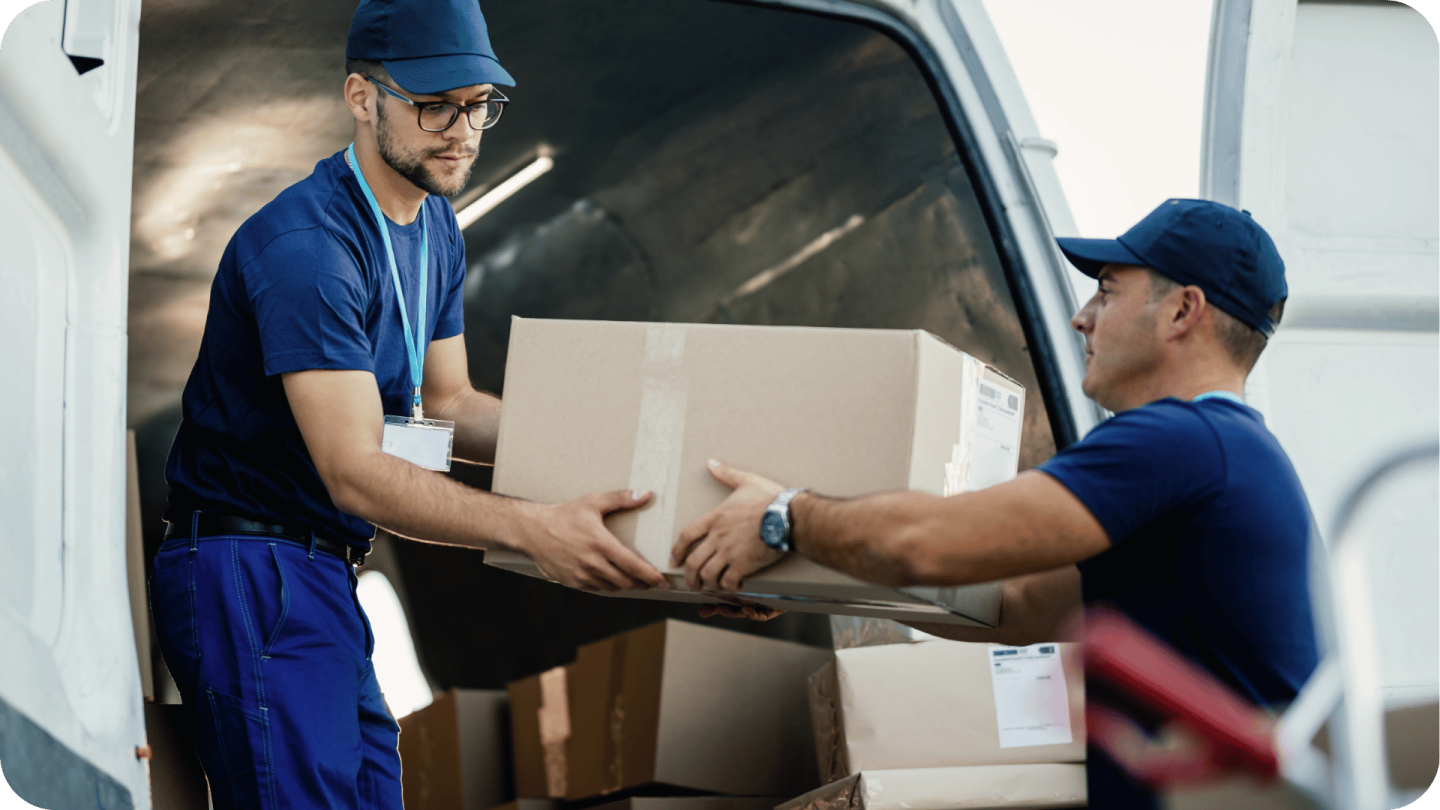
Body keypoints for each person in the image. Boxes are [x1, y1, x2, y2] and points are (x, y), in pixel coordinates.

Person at [149, 1, 667, 806]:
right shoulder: (308, 250)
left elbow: (451, 403)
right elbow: (356, 470)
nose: (462, 132)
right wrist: (535, 529)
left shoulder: (435, 228)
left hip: (324, 569)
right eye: (434, 106)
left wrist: (622, 460)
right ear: (362, 97)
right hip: (252, 569)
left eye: (479, 105)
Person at [671, 199, 1319, 809]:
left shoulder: (1180, 441)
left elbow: (927, 545)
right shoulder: (1228, 455)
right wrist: (805, 578)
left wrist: (783, 517)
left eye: (1107, 290)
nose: (1082, 317)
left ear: (1182, 311)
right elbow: (1010, 605)